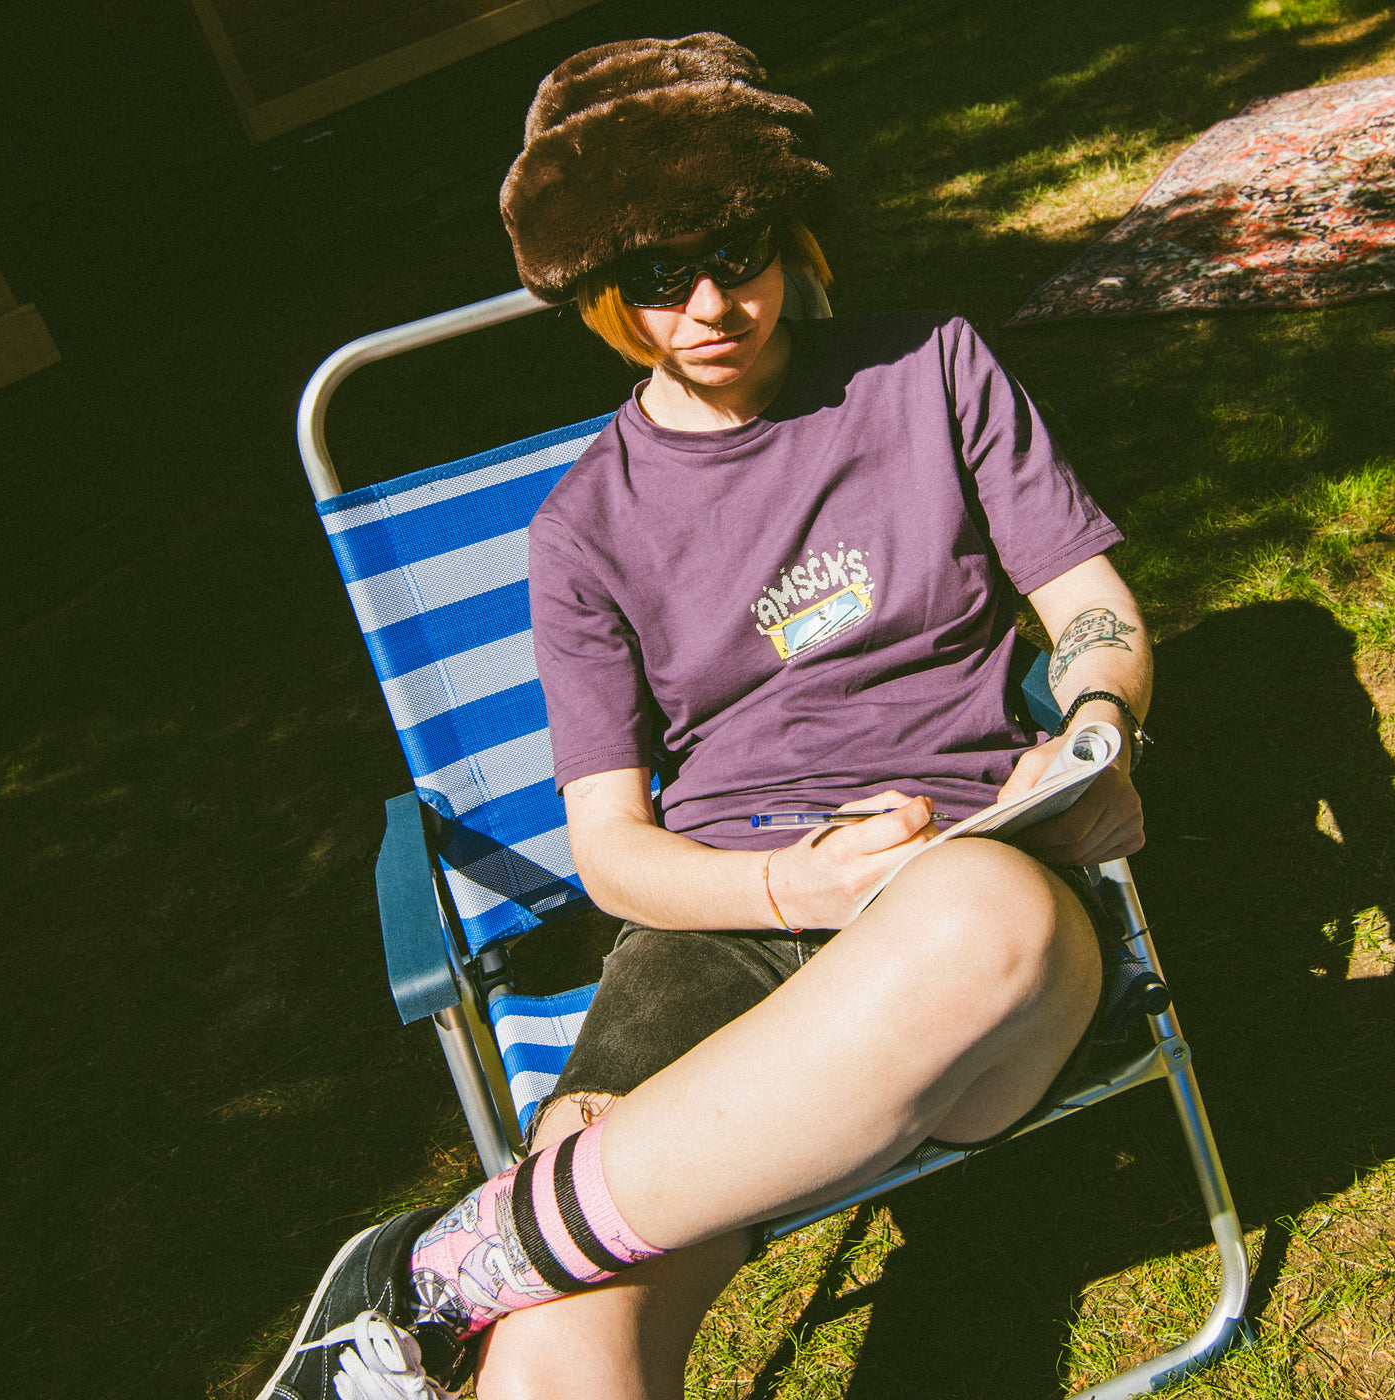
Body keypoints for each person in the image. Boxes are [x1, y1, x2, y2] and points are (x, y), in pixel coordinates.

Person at [258, 33, 1151, 1400]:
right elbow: (611, 849)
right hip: (723, 915)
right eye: (653, 279)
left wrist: (1097, 725)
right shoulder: (586, 533)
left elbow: (1091, 601)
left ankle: (442, 1269)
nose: (709, 302)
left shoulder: (930, 370)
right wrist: (796, 886)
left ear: (790, 231)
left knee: (986, 919)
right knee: (560, 1342)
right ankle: (482, 1274)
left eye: (735, 248)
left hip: (973, 882)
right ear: (602, 297)